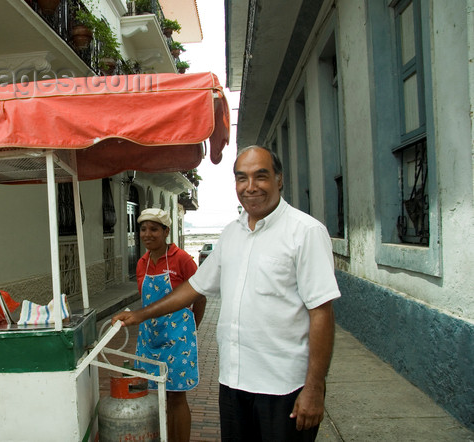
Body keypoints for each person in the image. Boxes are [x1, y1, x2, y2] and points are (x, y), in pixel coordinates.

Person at [113, 146, 341, 441]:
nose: (250, 187)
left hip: (284, 387)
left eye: (261, 176)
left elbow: (321, 312)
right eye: (241, 178)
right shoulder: (232, 234)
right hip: (233, 383)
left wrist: (314, 387)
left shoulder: (306, 232)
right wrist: (139, 315)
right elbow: (194, 288)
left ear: (279, 180)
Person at [133, 208, 207, 442]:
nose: (148, 234)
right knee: (155, 396)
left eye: (154, 229)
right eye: (143, 229)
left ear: (166, 231)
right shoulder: (141, 263)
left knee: (176, 397)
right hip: (150, 338)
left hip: (177, 340)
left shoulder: (182, 259)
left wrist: (192, 326)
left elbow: (200, 294)